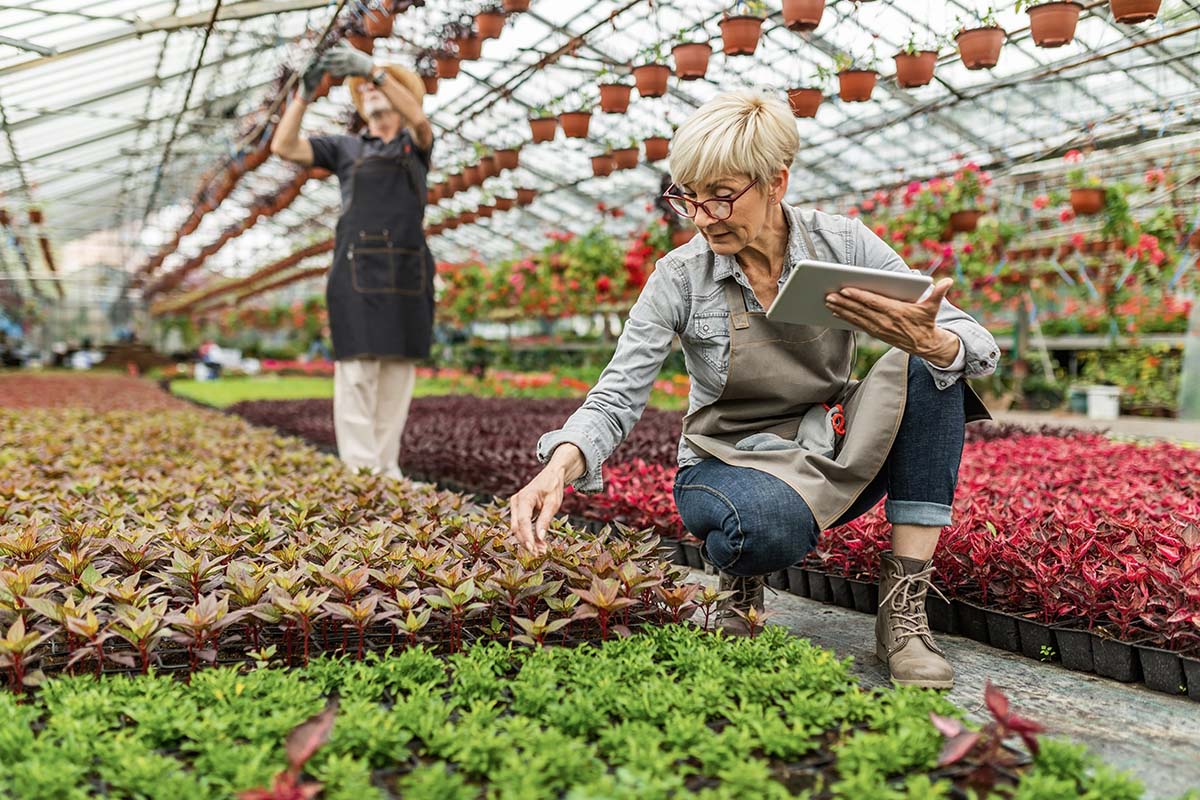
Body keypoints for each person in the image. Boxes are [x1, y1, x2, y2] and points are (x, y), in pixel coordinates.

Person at [509, 91, 998, 690]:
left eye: (721, 195)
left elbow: (968, 336)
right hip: (726, 462)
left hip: (828, 447)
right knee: (763, 527)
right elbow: (618, 394)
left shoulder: (842, 245)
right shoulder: (680, 278)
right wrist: (559, 466)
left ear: (776, 183)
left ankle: (902, 613)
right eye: (689, 196)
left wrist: (935, 342)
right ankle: (743, 579)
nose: (704, 215)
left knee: (930, 367)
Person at [270, 43, 434, 480]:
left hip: (406, 272)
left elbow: (419, 121)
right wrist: (303, 96)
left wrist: (373, 71)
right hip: (357, 272)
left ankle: (388, 470)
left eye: (386, 86)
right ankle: (362, 473)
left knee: (396, 376)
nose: (374, 90)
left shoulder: (415, 146)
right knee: (358, 374)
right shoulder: (346, 148)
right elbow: (284, 146)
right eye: (366, 87)